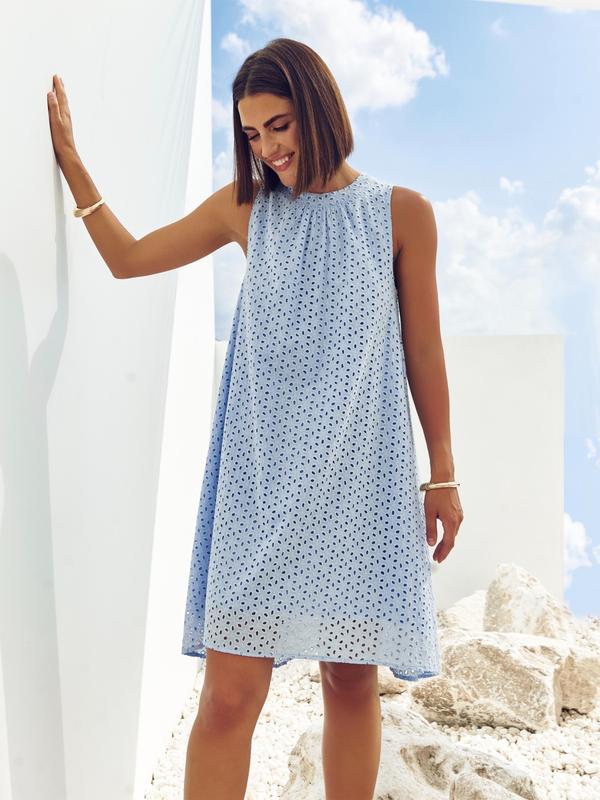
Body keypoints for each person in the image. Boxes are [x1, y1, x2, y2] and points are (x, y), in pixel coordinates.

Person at [47, 36, 464, 800]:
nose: (268, 148)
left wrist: (443, 473)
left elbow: (424, 352)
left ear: (318, 109)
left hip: (357, 486)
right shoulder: (249, 210)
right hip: (259, 488)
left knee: (349, 682)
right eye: (251, 133)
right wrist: (73, 164)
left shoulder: (401, 215)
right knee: (228, 696)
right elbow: (129, 259)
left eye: (279, 125)